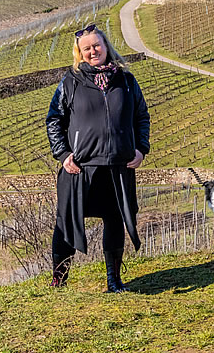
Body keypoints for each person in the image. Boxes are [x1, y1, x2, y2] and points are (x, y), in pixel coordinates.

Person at [46, 24, 149, 293]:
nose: (93, 51)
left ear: (106, 46)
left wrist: (141, 149)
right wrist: (63, 154)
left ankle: (114, 280)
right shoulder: (71, 82)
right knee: (66, 222)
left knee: (115, 220)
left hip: (118, 165)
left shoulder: (126, 81)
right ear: (79, 53)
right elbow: (54, 120)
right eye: (87, 48)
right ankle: (59, 279)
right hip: (80, 168)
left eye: (97, 46)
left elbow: (141, 117)